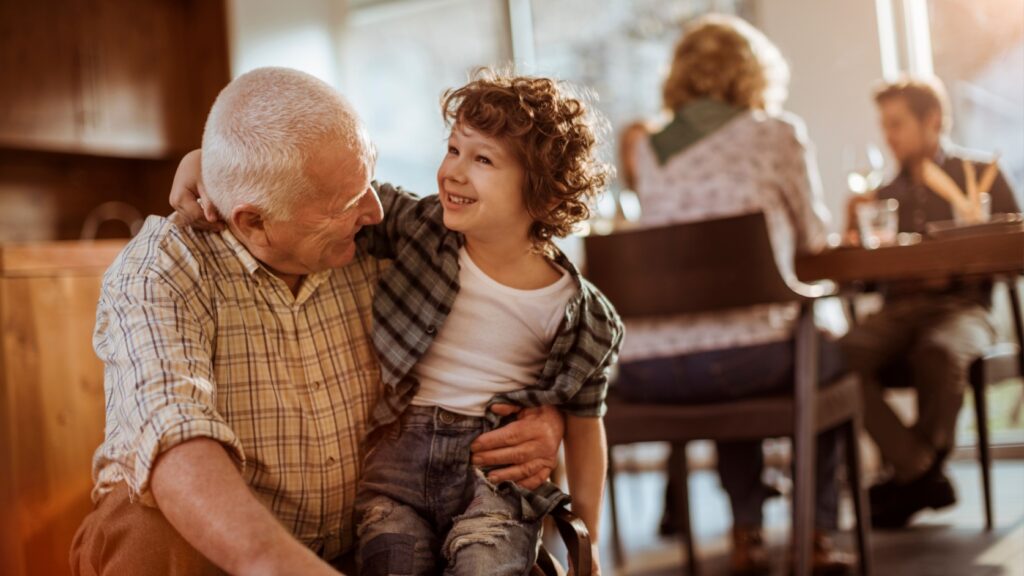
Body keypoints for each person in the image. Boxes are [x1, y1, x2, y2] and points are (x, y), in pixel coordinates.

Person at [70, 67, 565, 576]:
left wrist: (545, 413)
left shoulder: (384, 244)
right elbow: (175, 439)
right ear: (253, 222)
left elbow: (515, 303)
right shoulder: (162, 269)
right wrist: (273, 563)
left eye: (369, 181)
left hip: (377, 530)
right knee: (142, 531)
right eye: (349, 202)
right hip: (228, 553)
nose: (375, 210)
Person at [618, 15, 853, 576]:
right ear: (752, 74)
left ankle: (746, 531)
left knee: (725, 344)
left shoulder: (651, 148)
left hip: (653, 368)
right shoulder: (775, 133)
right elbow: (814, 240)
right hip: (746, 360)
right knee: (828, 357)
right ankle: (815, 534)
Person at [841, 76, 1021, 528]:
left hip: (964, 309)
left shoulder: (982, 175)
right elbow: (864, 286)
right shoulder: (879, 197)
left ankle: (908, 480)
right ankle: (919, 470)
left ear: (933, 120)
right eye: (884, 126)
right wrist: (856, 245)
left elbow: (1014, 253)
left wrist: (960, 261)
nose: (889, 136)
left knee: (938, 354)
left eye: (897, 124)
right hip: (898, 312)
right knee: (830, 359)